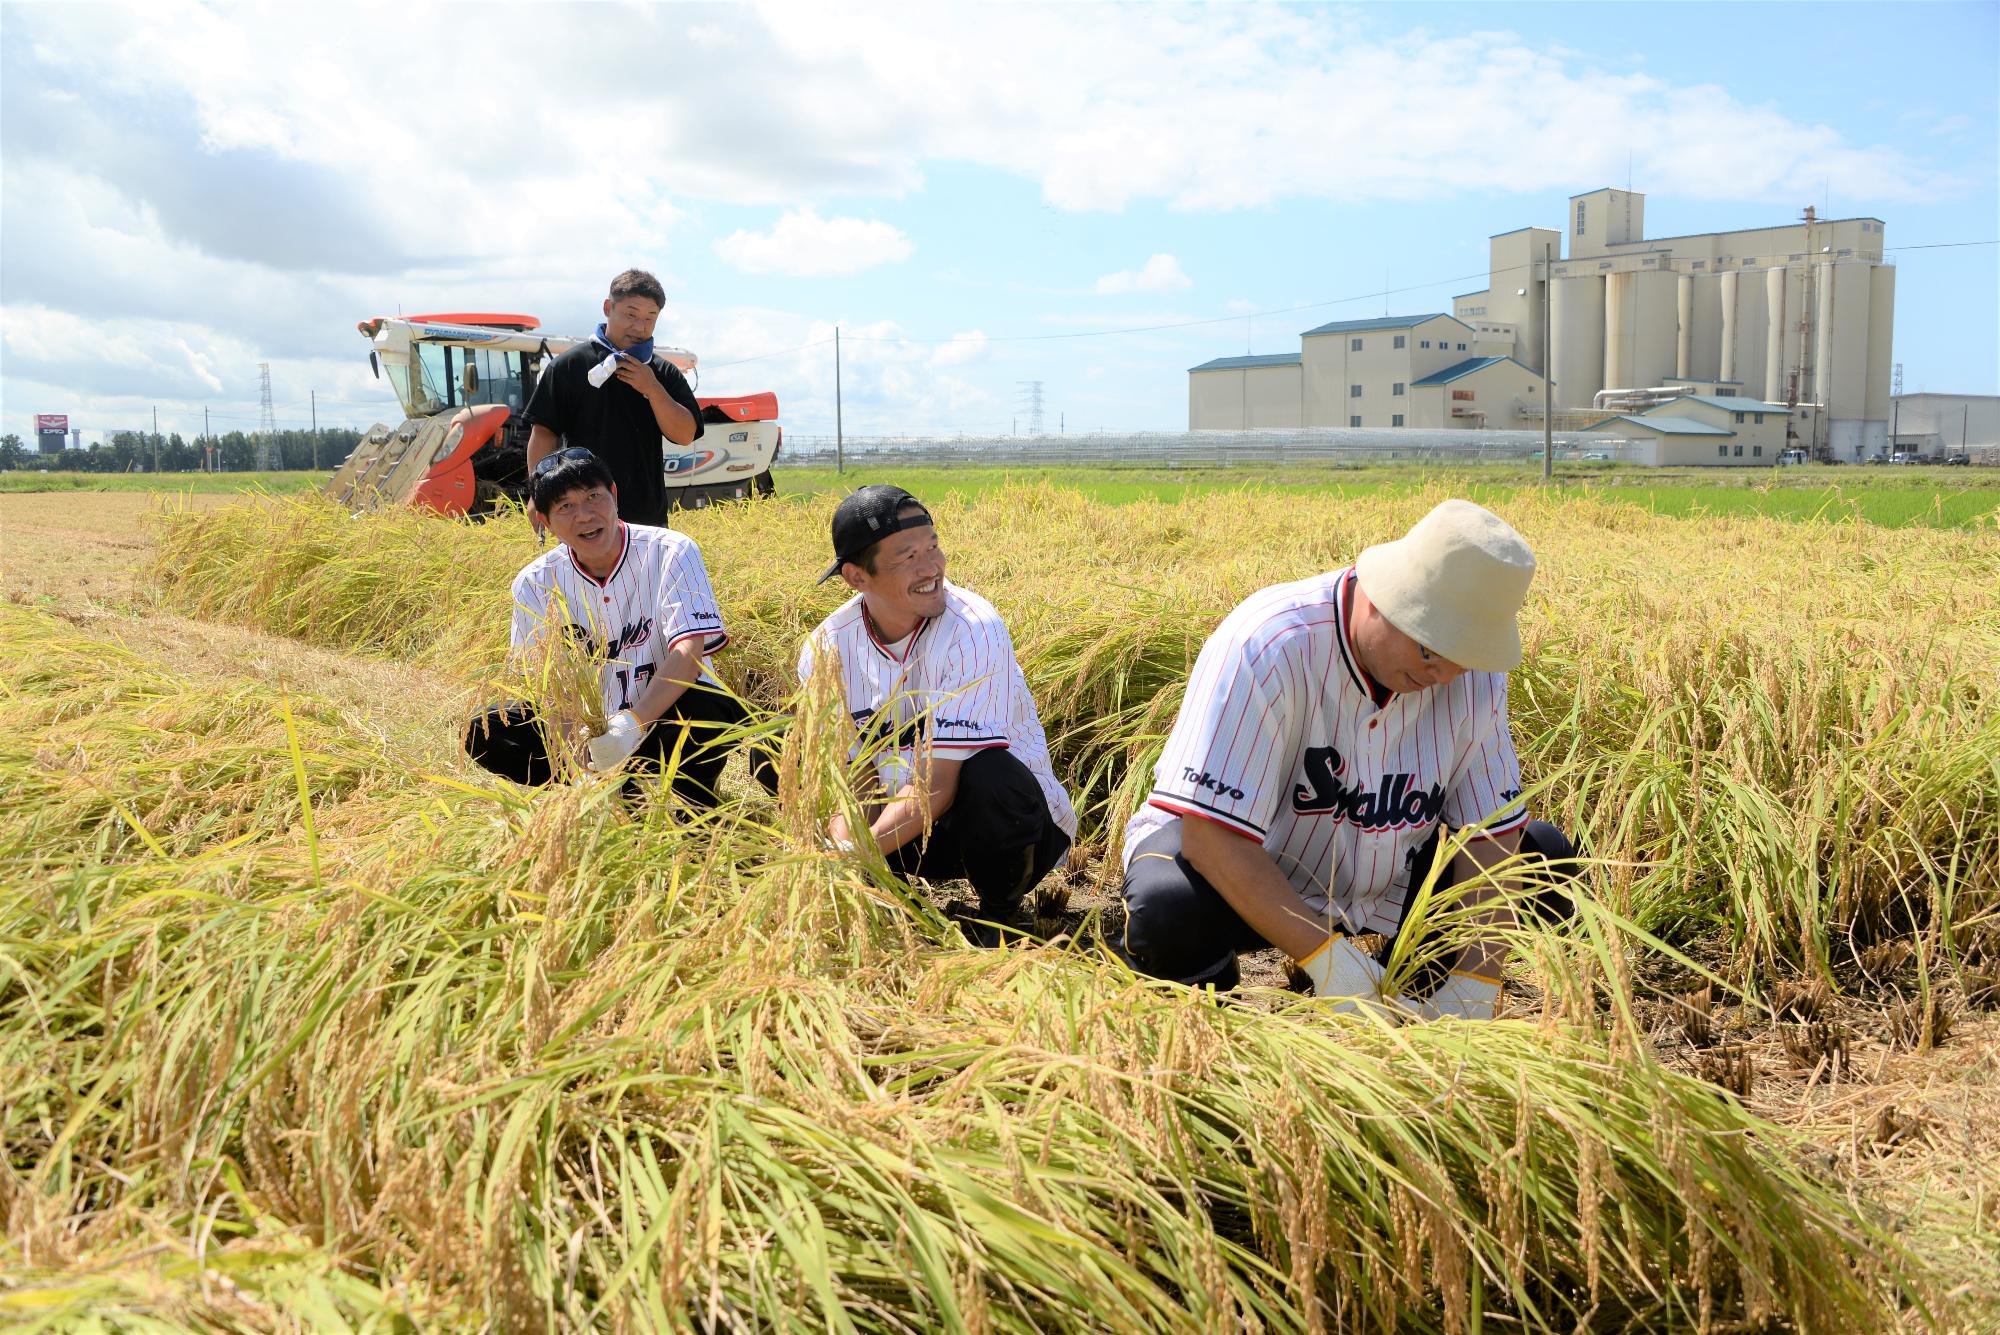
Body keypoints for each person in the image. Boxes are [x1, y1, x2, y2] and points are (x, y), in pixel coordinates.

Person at [1118, 499, 1577, 1019]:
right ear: (1381, 598)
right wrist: (1327, 958)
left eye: (1464, 658)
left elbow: (1490, 834)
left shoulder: (1468, 675)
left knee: (1543, 859)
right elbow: (1212, 839)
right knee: (1169, 904)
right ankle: (1209, 1008)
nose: (1445, 677)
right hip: (1251, 874)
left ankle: (1418, 994)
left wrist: (1476, 977)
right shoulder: (1268, 644)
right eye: (1430, 649)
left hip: (1386, 878)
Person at [800, 486, 1076, 946]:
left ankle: (1001, 915)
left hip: (1013, 830)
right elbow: (858, 777)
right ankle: (887, 892)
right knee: (781, 755)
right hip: (905, 827)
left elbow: (936, 785)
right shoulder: (826, 649)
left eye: (933, 547)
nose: (932, 567)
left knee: (988, 772)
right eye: (908, 556)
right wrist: (847, 854)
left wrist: (852, 853)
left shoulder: (972, 628)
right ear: (856, 576)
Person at [464, 447, 754, 807]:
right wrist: (577, 765)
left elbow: (689, 652)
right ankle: (603, 794)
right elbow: (550, 689)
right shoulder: (534, 583)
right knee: (488, 728)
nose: (585, 515)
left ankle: (688, 799)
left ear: (614, 495)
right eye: (565, 506)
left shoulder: (671, 551)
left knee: (706, 704)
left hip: (661, 716)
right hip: (588, 729)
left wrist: (632, 723)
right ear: (544, 520)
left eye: (593, 497)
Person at [523, 268, 703, 529]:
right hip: (581, 515)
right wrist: (537, 492)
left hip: (646, 518)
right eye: (631, 314)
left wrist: (652, 388)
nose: (640, 327)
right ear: (608, 308)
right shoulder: (568, 366)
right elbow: (544, 432)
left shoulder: (662, 372)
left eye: (650, 318)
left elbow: (686, 434)